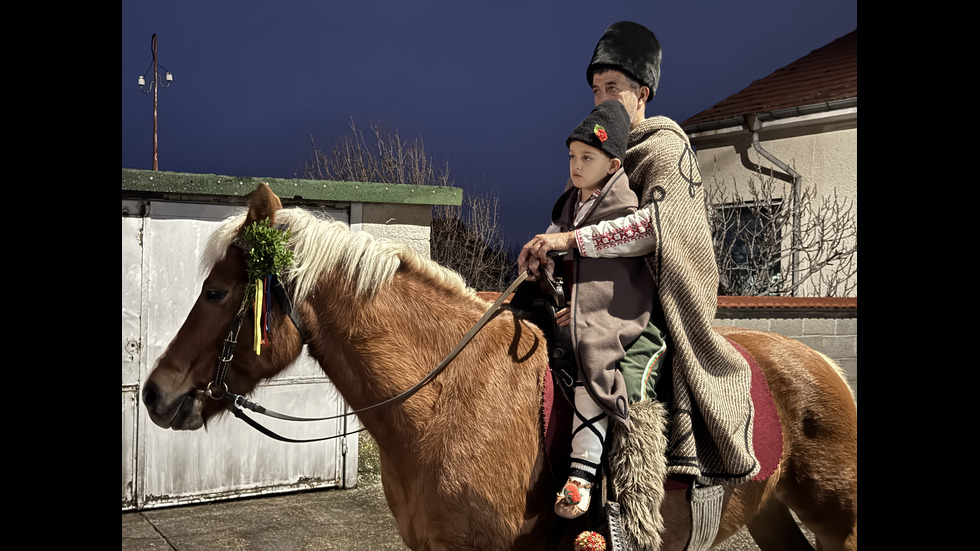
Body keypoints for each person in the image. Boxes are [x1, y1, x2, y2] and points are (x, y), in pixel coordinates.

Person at [519, 21, 760, 489]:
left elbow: (654, 229)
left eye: (613, 87)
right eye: (596, 89)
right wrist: (545, 253)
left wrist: (571, 242)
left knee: (628, 383)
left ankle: (634, 502)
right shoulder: (594, 147)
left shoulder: (665, 147)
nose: (602, 98)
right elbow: (568, 220)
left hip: (649, 305)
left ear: (642, 93)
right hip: (592, 300)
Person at [545, 99, 662, 519]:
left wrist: (581, 310)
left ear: (612, 165)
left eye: (587, 158)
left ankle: (582, 474)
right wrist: (542, 258)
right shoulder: (570, 207)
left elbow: (630, 250)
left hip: (615, 310)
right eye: (572, 157)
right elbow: (557, 247)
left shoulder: (625, 207)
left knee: (592, 353)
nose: (576, 166)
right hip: (573, 307)